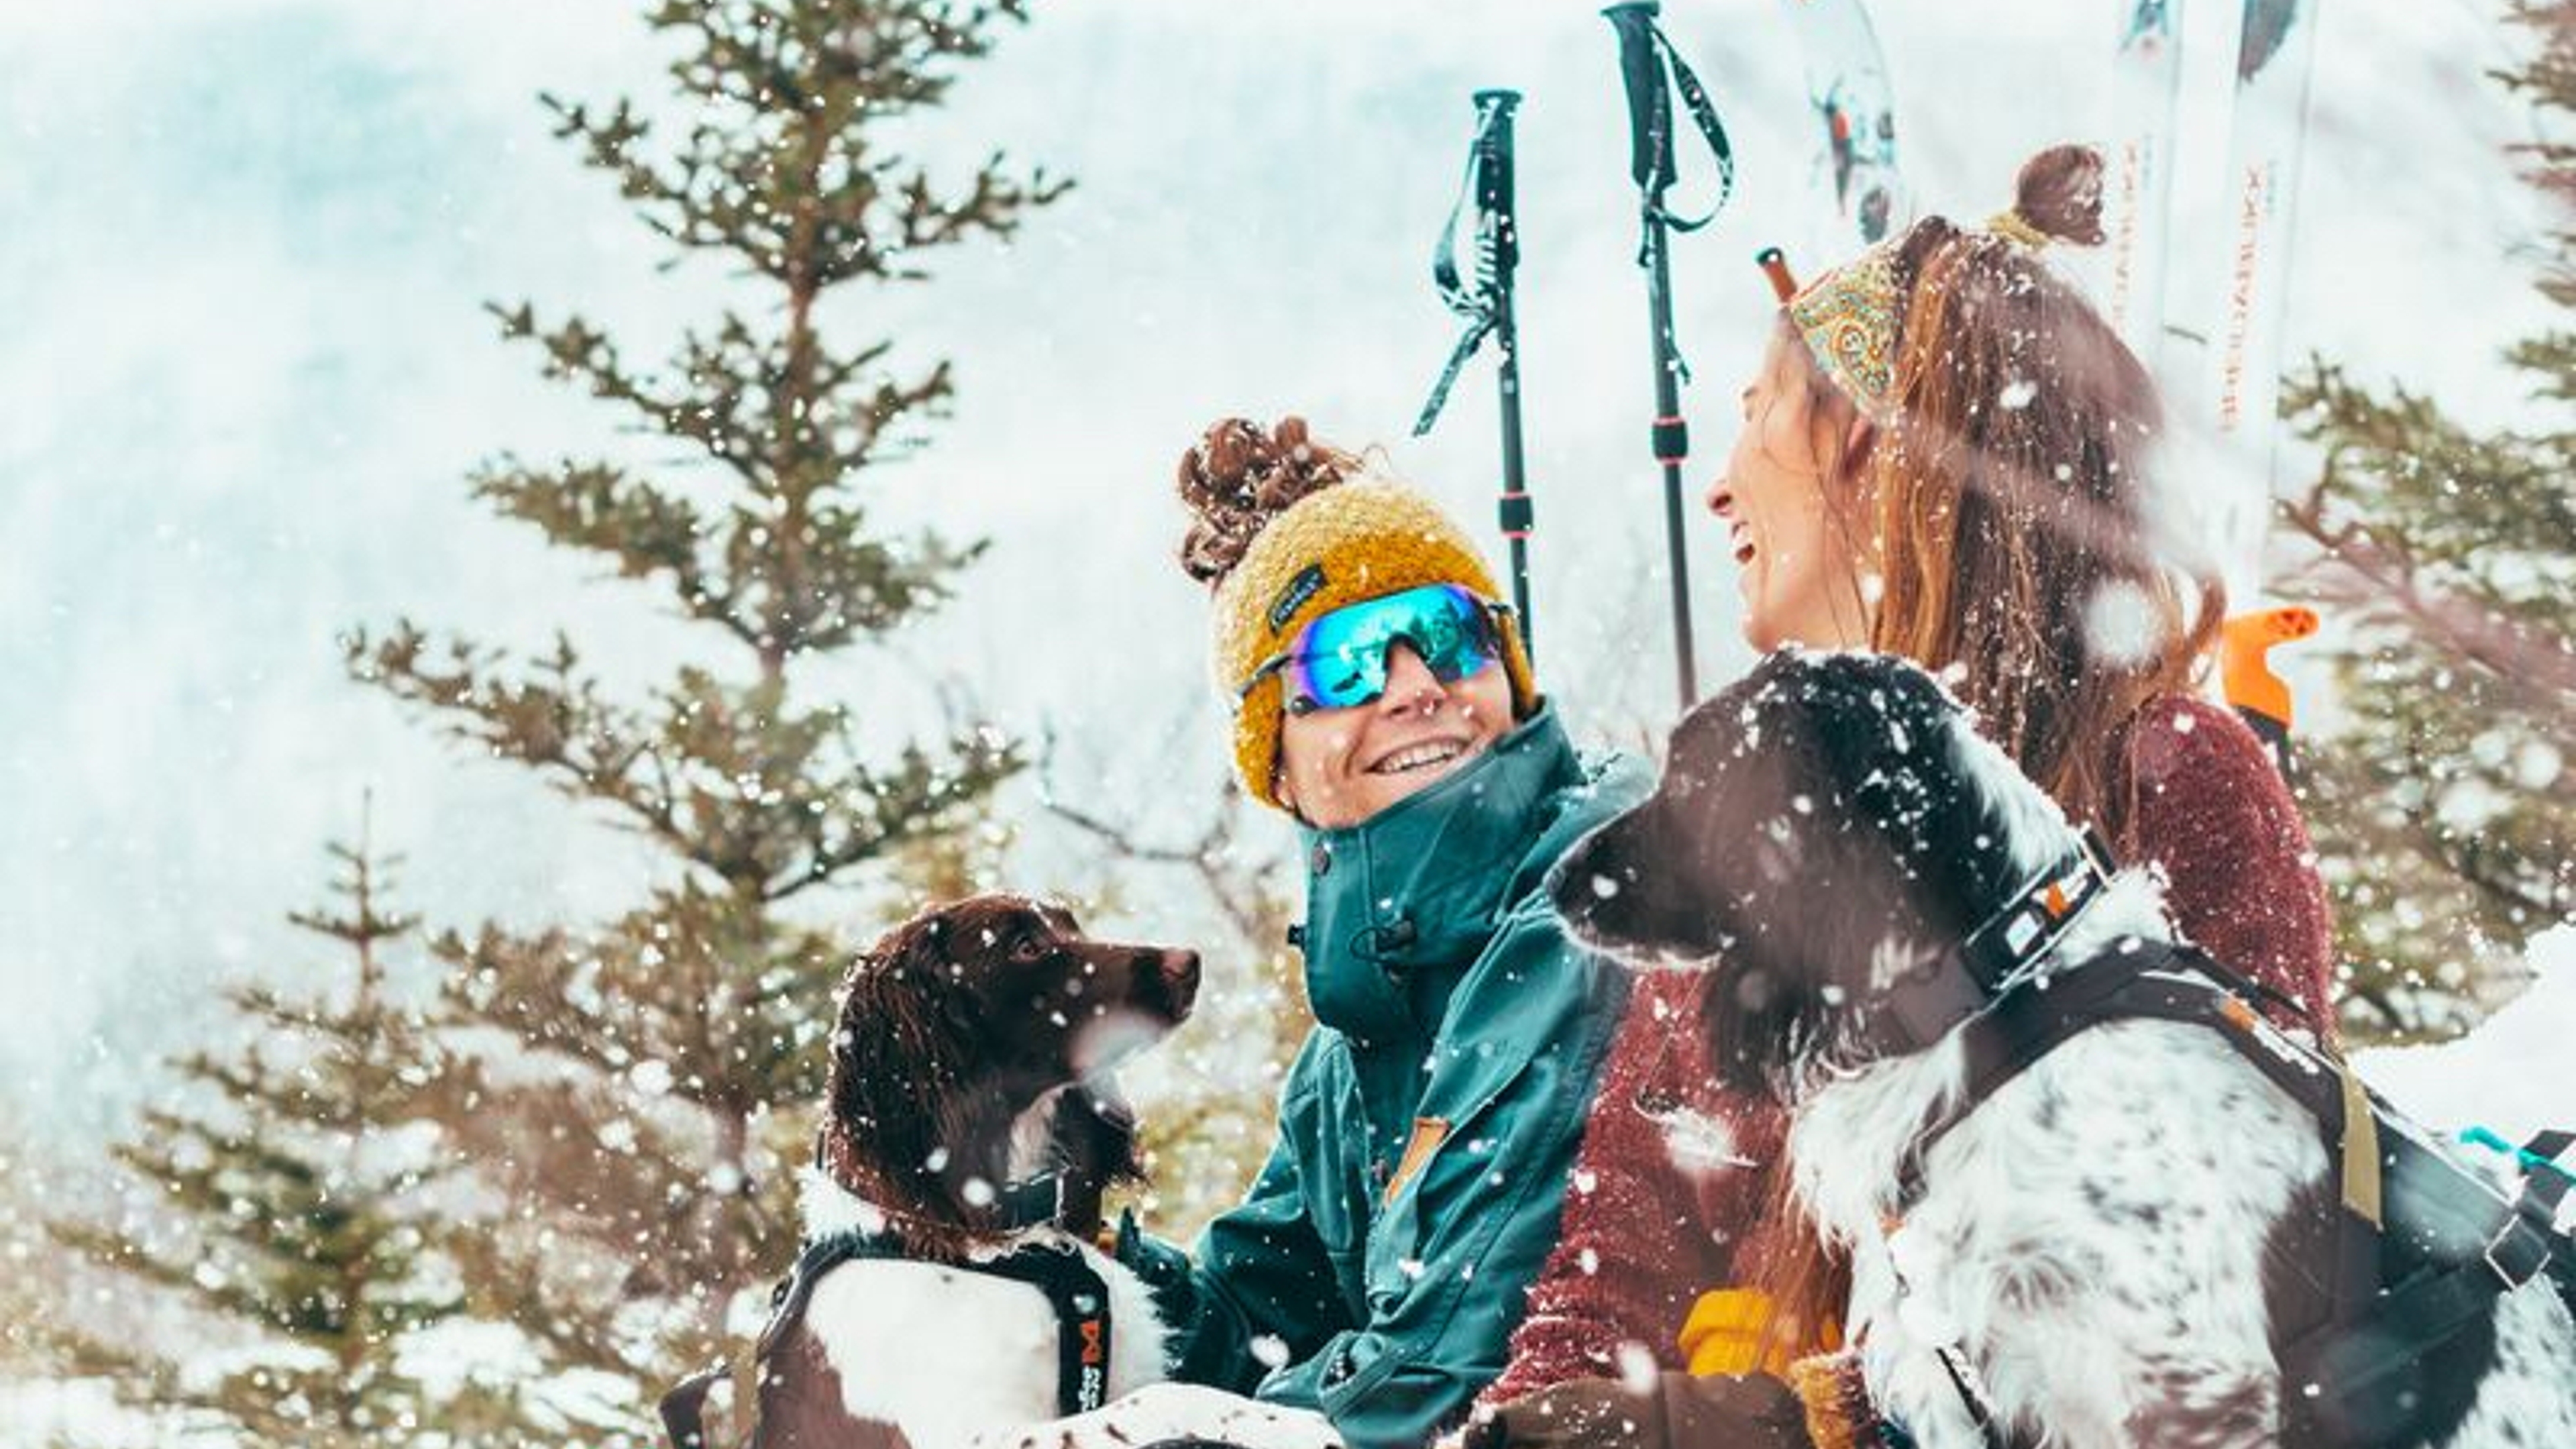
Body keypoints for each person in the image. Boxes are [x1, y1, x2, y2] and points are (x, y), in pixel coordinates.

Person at [1478, 145, 2338, 1448]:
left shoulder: (2170, 784)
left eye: (1759, 413)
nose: (1717, 483)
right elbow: (1613, 1282)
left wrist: (1788, 1420)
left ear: (1881, 456)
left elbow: (2232, 1333)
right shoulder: (1754, 843)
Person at [1114, 417, 1652, 1449]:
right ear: (1275, 755)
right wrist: (1061, 1252)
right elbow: (1250, 1331)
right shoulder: (1358, 1036)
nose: (1416, 686)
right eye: (1346, 662)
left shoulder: (1593, 910)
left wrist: (1182, 1431)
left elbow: (1436, 1373)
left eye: (1450, 633)